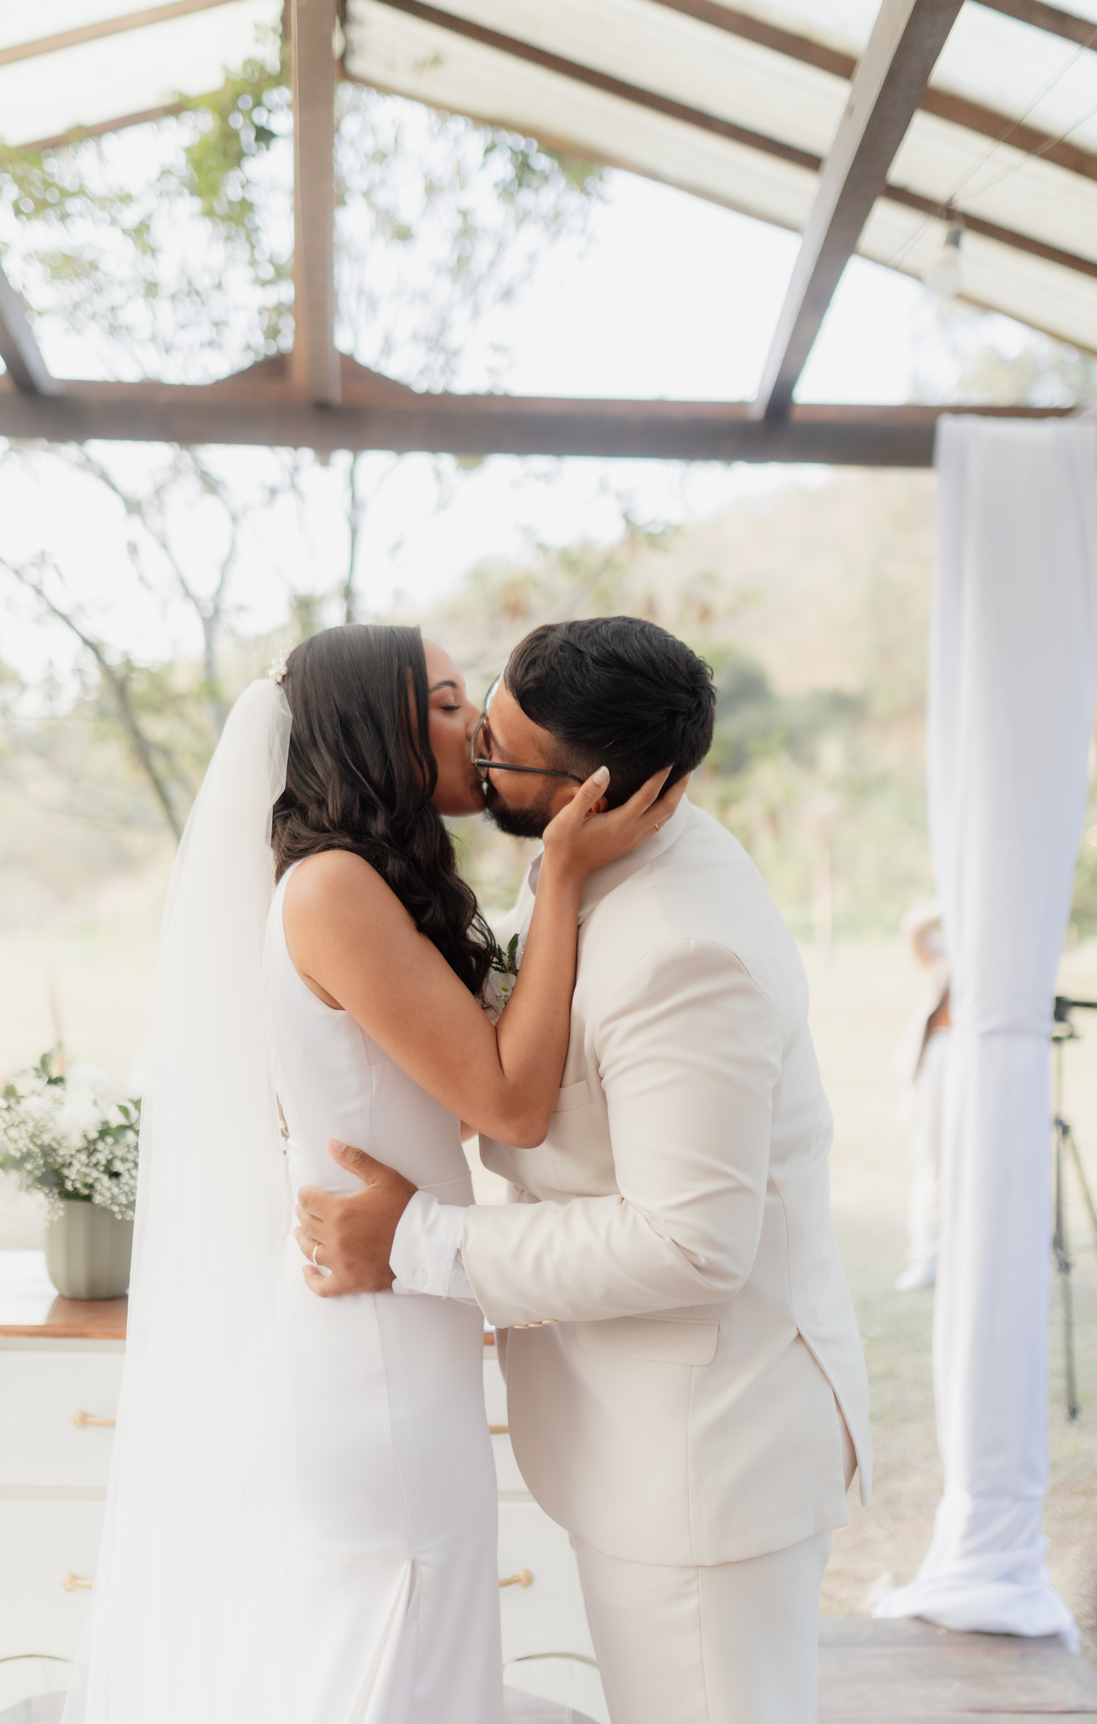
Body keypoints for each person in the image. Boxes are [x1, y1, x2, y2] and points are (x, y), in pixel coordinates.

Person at [65, 622, 679, 1724]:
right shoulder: (334, 889)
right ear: (370, 729)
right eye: (445, 704)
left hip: (400, 1318)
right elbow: (511, 1105)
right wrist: (566, 877)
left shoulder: (359, 882)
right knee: (403, 1650)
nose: (476, 726)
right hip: (376, 1351)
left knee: (413, 1646)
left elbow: (471, 1090)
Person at [297, 615, 873, 1724]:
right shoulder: (585, 864)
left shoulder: (682, 950)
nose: (474, 757)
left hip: (706, 1457)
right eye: (482, 718)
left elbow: (688, 1242)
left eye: (500, 754)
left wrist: (414, 1240)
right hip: (635, 1436)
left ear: (594, 794)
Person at [891, 899, 951, 1291]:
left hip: (978, 1065)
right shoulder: (945, 953)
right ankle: (927, 1257)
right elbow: (914, 926)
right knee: (933, 1165)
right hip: (939, 1060)